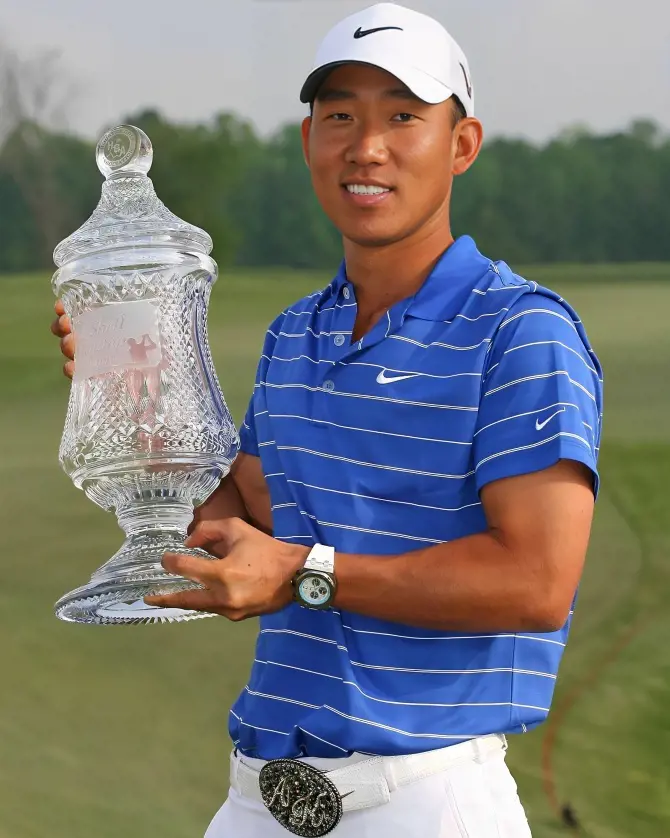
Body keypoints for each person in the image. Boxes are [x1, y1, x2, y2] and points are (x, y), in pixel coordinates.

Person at [51, 3, 604, 836]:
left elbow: (535, 583)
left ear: (462, 145)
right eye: (339, 115)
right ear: (309, 140)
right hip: (258, 800)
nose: (366, 146)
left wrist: (304, 573)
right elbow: (229, 523)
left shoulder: (522, 331)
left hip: (421, 801)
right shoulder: (296, 332)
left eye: (403, 117)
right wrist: (134, 388)